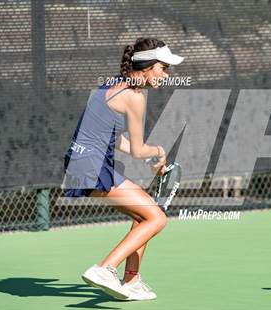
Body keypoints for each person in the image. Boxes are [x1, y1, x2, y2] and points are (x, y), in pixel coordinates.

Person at [62, 37, 184, 301]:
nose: (166, 74)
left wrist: (150, 157)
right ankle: (104, 269)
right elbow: (140, 150)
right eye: (163, 68)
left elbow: (116, 139)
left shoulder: (112, 85)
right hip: (91, 165)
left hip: (81, 162)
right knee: (157, 217)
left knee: (144, 214)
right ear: (148, 66)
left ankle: (132, 280)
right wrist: (159, 152)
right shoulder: (135, 96)